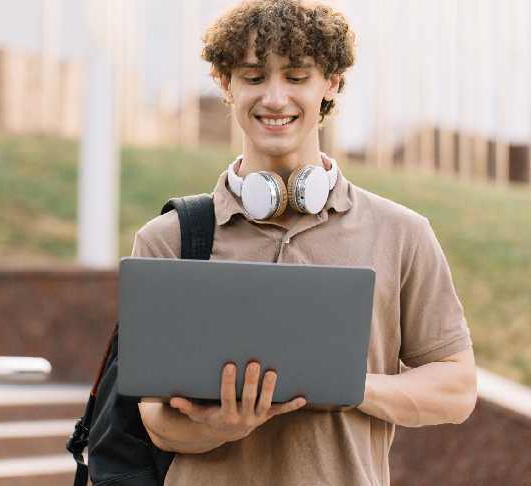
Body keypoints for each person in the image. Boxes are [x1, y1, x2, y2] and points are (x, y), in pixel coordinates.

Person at [131, 1, 478, 484]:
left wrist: (343, 384)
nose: (274, 98)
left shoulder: (401, 233)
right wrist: (221, 426)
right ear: (225, 83)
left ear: (330, 83)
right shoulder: (167, 240)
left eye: (296, 77)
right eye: (253, 77)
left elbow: (457, 389)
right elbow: (156, 421)